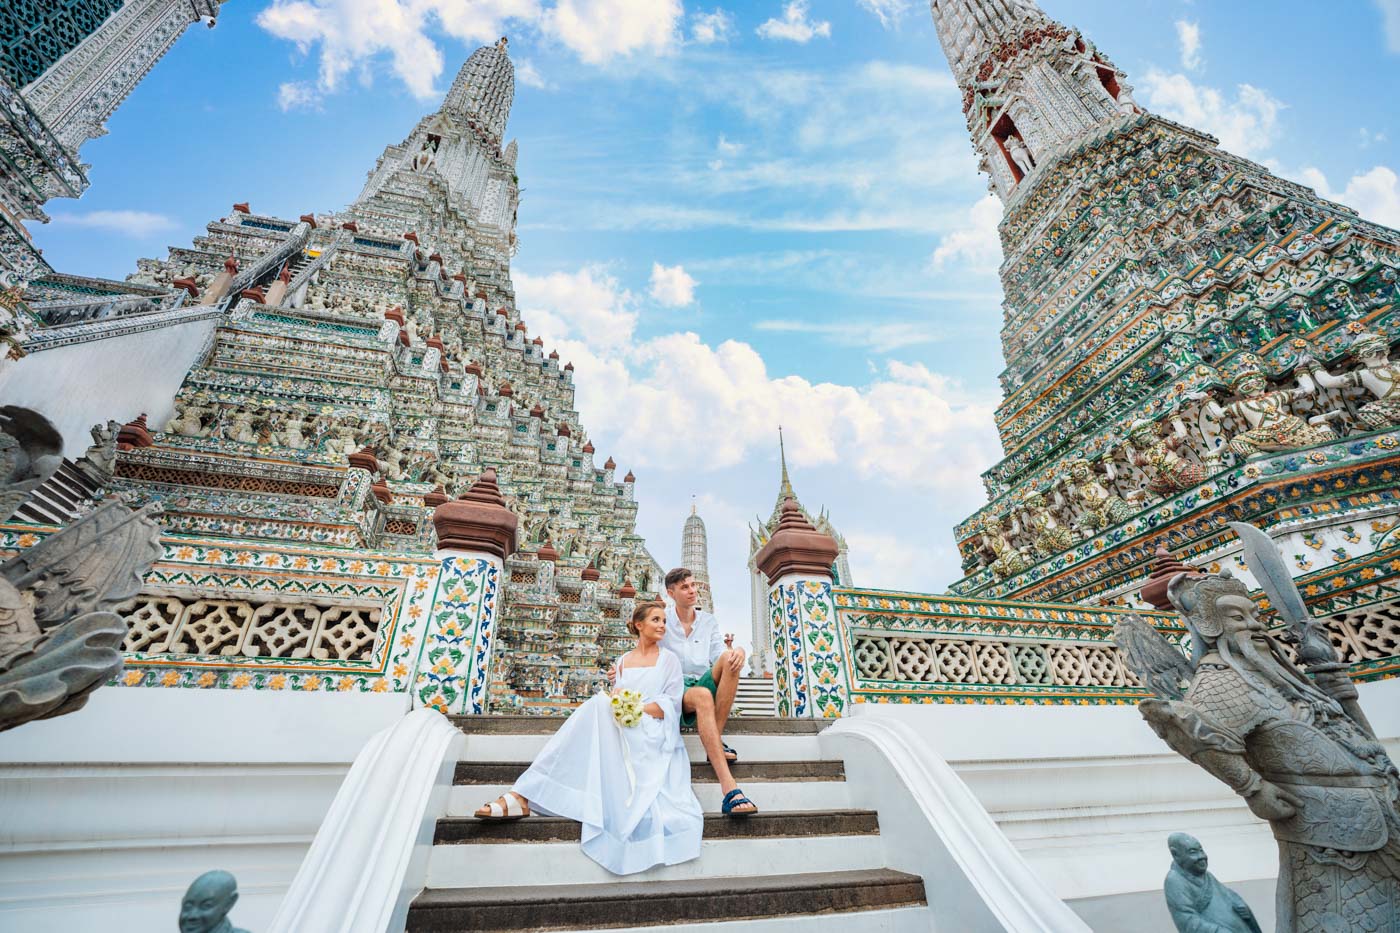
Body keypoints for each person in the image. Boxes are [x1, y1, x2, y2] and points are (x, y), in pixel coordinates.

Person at [473, 601, 703, 875]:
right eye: (656, 619)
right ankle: (522, 794)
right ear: (639, 625)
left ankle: (521, 794)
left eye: (664, 621)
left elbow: (672, 706)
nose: (662, 625)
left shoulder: (669, 660)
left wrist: (635, 708)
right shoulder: (622, 661)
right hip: (622, 726)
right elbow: (618, 696)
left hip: (652, 731)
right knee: (598, 706)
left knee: (596, 707)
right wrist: (621, 706)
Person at [661, 567, 757, 817]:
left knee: (729, 659)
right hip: (675, 687)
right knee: (703, 695)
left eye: (694, 585)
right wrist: (622, 670)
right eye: (685, 587)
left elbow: (718, 655)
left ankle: (714, 737)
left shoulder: (708, 621)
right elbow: (645, 650)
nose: (693, 591)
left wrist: (740, 653)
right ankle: (730, 790)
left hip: (702, 680)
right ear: (671, 593)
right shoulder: (662, 619)